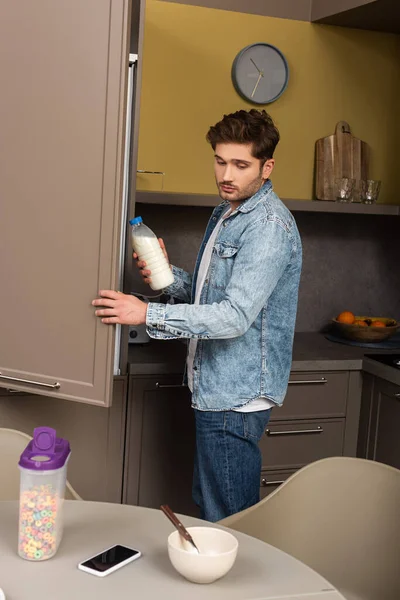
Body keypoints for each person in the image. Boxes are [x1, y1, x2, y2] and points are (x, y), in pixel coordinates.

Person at [92, 109, 302, 522]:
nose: (227, 174)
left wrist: (146, 313)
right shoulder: (228, 211)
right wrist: (168, 278)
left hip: (235, 396)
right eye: (220, 161)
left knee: (228, 519)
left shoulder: (268, 228)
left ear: (267, 166)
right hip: (214, 388)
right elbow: (210, 296)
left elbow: (234, 316)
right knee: (213, 508)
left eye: (241, 165)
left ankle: (233, 589)